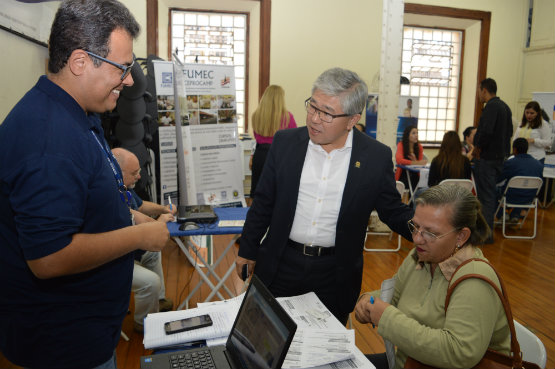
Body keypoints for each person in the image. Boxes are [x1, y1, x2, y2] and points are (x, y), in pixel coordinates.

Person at [0, 1, 170, 368]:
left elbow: (92, 193)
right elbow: (48, 258)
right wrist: (140, 237)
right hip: (62, 345)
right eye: (122, 68)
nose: (128, 80)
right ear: (80, 62)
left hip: (86, 330)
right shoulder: (49, 141)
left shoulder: (78, 114)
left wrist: (132, 217)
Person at [236, 68, 413, 325]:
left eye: (327, 113)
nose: (315, 119)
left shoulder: (374, 157)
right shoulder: (285, 143)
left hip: (334, 273)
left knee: (325, 354)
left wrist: (429, 231)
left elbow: (392, 211)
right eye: (313, 107)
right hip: (281, 263)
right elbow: (263, 202)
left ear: (353, 119)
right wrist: (247, 251)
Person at [355, 184, 510, 369]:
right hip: (406, 362)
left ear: (461, 236)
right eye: (415, 226)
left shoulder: (475, 280)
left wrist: (385, 317)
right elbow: (394, 295)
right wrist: (368, 300)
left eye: (430, 232)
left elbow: (458, 352)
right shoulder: (420, 257)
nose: (417, 238)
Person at [112, 148, 176, 333]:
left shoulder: (124, 188)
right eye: (134, 173)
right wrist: (159, 223)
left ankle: (158, 301)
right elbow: (141, 228)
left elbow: (140, 206)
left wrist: (163, 210)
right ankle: (143, 324)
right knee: (151, 281)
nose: (139, 177)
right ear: (117, 172)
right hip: (112, 262)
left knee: (152, 254)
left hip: (127, 252)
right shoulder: (110, 196)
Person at [472, 78, 513, 243]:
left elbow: (486, 132)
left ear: (484, 90)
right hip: (500, 159)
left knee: (486, 198)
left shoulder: (491, 107)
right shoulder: (505, 107)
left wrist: (477, 146)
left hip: (488, 159)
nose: (478, 94)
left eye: (479, 91)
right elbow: (509, 133)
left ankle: (486, 235)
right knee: (490, 196)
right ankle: (485, 232)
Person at [250, 85, 297, 197]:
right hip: (278, 156)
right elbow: (294, 139)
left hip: (259, 156)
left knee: (258, 192)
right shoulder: (287, 117)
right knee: (276, 193)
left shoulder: (256, 115)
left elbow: (257, 138)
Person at [496, 138, 544, 223]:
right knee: (523, 189)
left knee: (491, 189)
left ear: (514, 149)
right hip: (529, 198)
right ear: (527, 149)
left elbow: (498, 179)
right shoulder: (539, 164)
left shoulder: (511, 163)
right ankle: (515, 215)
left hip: (510, 197)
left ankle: (502, 214)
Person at [395, 125, 427, 192]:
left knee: (418, 187)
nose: (416, 135)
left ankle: (412, 201)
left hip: (415, 175)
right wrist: (416, 162)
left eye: (417, 133)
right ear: (407, 135)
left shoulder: (419, 147)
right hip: (403, 174)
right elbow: (399, 160)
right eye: (413, 133)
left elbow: (419, 164)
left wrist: (415, 160)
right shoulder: (401, 144)